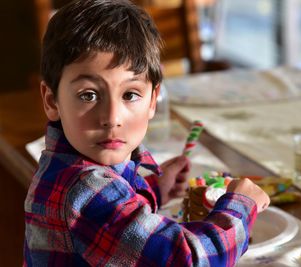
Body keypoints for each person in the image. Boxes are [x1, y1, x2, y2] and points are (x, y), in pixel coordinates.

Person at [23, 0, 270, 266]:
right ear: (51, 101)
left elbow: (120, 220)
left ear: (153, 100)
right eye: (89, 95)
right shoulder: (85, 190)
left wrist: (155, 190)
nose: (112, 118)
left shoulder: (72, 169)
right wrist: (241, 206)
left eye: (130, 94)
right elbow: (184, 259)